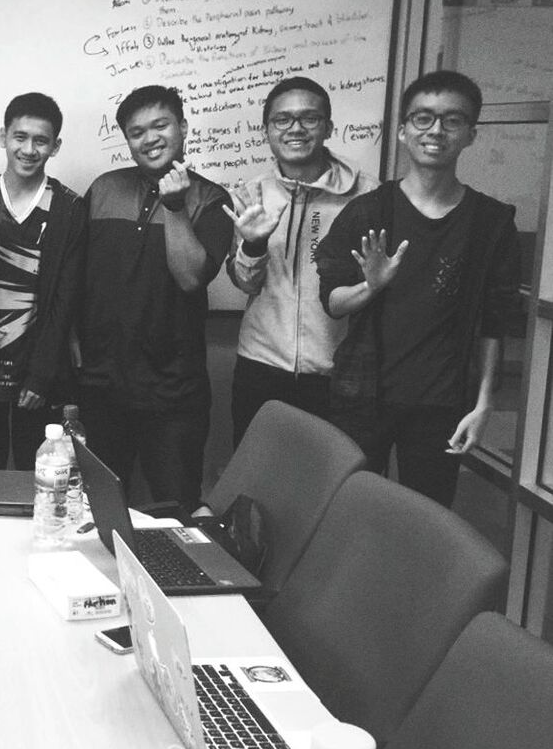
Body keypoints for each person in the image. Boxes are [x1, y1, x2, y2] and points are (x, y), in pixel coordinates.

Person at [315, 70, 520, 507]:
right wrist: (371, 286)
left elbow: (493, 323)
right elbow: (332, 301)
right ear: (404, 131)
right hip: (363, 398)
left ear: (471, 134)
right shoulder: (368, 211)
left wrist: (483, 405)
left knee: (425, 523)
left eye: (452, 120)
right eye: (423, 119)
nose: (436, 131)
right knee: (350, 513)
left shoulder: (490, 222)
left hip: (441, 405)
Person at [78, 85, 233, 511]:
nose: (150, 139)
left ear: (182, 127)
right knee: (99, 509)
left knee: (175, 511)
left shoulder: (212, 199)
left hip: (174, 393)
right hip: (104, 386)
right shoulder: (104, 189)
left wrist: (176, 206)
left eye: (160, 125)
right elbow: (77, 281)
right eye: (136, 132)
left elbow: (189, 278)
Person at [223, 77, 378, 445]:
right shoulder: (252, 193)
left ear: (328, 127)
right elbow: (244, 282)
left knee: (333, 487)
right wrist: (255, 245)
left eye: (309, 119)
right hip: (261, 364)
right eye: (283, 120)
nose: (295, 128)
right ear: (267, 130)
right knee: (257, 482)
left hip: (338, 371)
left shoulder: (368, 195)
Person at [0, 92, 86, 468]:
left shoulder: (70, 209)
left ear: (55, 146)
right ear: (2, 137)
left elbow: (65, 298)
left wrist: (42, 375)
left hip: (38, 370)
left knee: (37, 477)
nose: (28, 149)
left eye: (40, 140)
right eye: (19, 137)